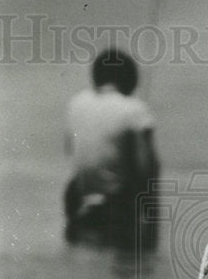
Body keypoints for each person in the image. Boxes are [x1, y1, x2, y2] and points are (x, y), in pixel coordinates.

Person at [64, 49, 160, 248]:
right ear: (130, 80)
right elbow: (147, 170)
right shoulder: (134, 109)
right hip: (116, 209)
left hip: (80, 202)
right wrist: (152, 228)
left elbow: (70, 150)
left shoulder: (76, 104)